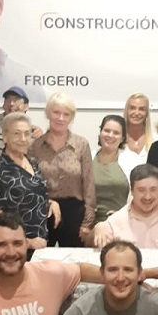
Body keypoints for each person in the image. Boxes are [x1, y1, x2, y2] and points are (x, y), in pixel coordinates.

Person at [30, 92, 96, 247]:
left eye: (66, 114)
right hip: (44, 210)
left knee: (74, 259)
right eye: (56, 112)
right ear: (48, 113)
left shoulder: (81, 144)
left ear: (71, 117)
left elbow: (89, 184)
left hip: (74, 213)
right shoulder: (35, 146)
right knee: (42, 258)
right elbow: (31, 183)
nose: (60, 118)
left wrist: (87, 222)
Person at [0, 112, 58, 251]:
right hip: (15, 248)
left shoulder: (33, 163)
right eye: (17, 134)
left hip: (41, 243)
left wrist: (51, 203)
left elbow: (31, 194)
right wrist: (26, 242)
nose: (23, 139)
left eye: (27, 134)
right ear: (4, 136)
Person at [92, 114, 130, 223]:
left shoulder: (132, 160)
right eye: (107, 131)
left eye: (116, 133)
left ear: (122, 138)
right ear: (100, 132)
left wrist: (123, 214)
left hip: (123, 222)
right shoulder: (88, 157)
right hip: (89, 223)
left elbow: (139, 195)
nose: (110, 135)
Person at [0, 86, 33, 160]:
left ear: (26, 106)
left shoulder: (31, 131)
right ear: (3, 105)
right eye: (8, 100)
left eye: (16, 100)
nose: (11, 104)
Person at [119, 93, 155, 182]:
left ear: (147, 113)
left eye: (141, 109)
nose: (136, 113)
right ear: (126, 111)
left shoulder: (156, 142)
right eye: (132, 108)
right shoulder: (116, 141)